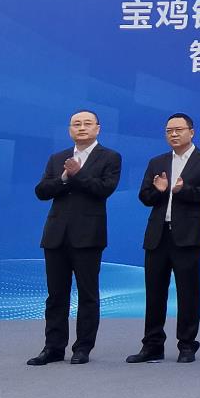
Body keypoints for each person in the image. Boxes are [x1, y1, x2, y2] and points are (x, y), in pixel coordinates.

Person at [29, 109, 122, 365]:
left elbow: (104, 189)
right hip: (56, 235)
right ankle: (53, 348)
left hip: (88, 236)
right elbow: (41, 191)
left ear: (97, 128)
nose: (81, 127)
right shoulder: (58, 158)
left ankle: (82, 348)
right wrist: (63, 177)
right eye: (76, 124)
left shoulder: (110, 157)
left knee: (87, 295)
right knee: (56, 296)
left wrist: (78, 174)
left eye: (87, 123)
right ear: (70, 129)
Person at [128, 113, 200, 365]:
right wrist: (159, 191)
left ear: (192, 132)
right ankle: (152, 345)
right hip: (157, 235)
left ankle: (187, 345)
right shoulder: (157, 161)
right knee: (154, 293)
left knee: (188, 293)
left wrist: (182, 190)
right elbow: (144, 197)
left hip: (188, 236)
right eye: (169, 130)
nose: (174, 134)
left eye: (179, 129)